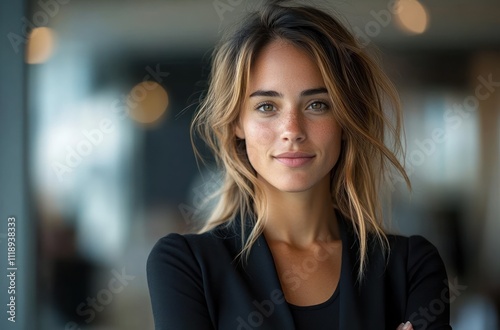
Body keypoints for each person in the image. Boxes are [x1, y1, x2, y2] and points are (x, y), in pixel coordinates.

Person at [147, 1, 451, 329]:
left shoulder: (410, 267)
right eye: (266, 106)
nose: (292, 130)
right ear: (237, 122)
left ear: (347, 120)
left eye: (317, 104)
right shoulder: (185, 265)